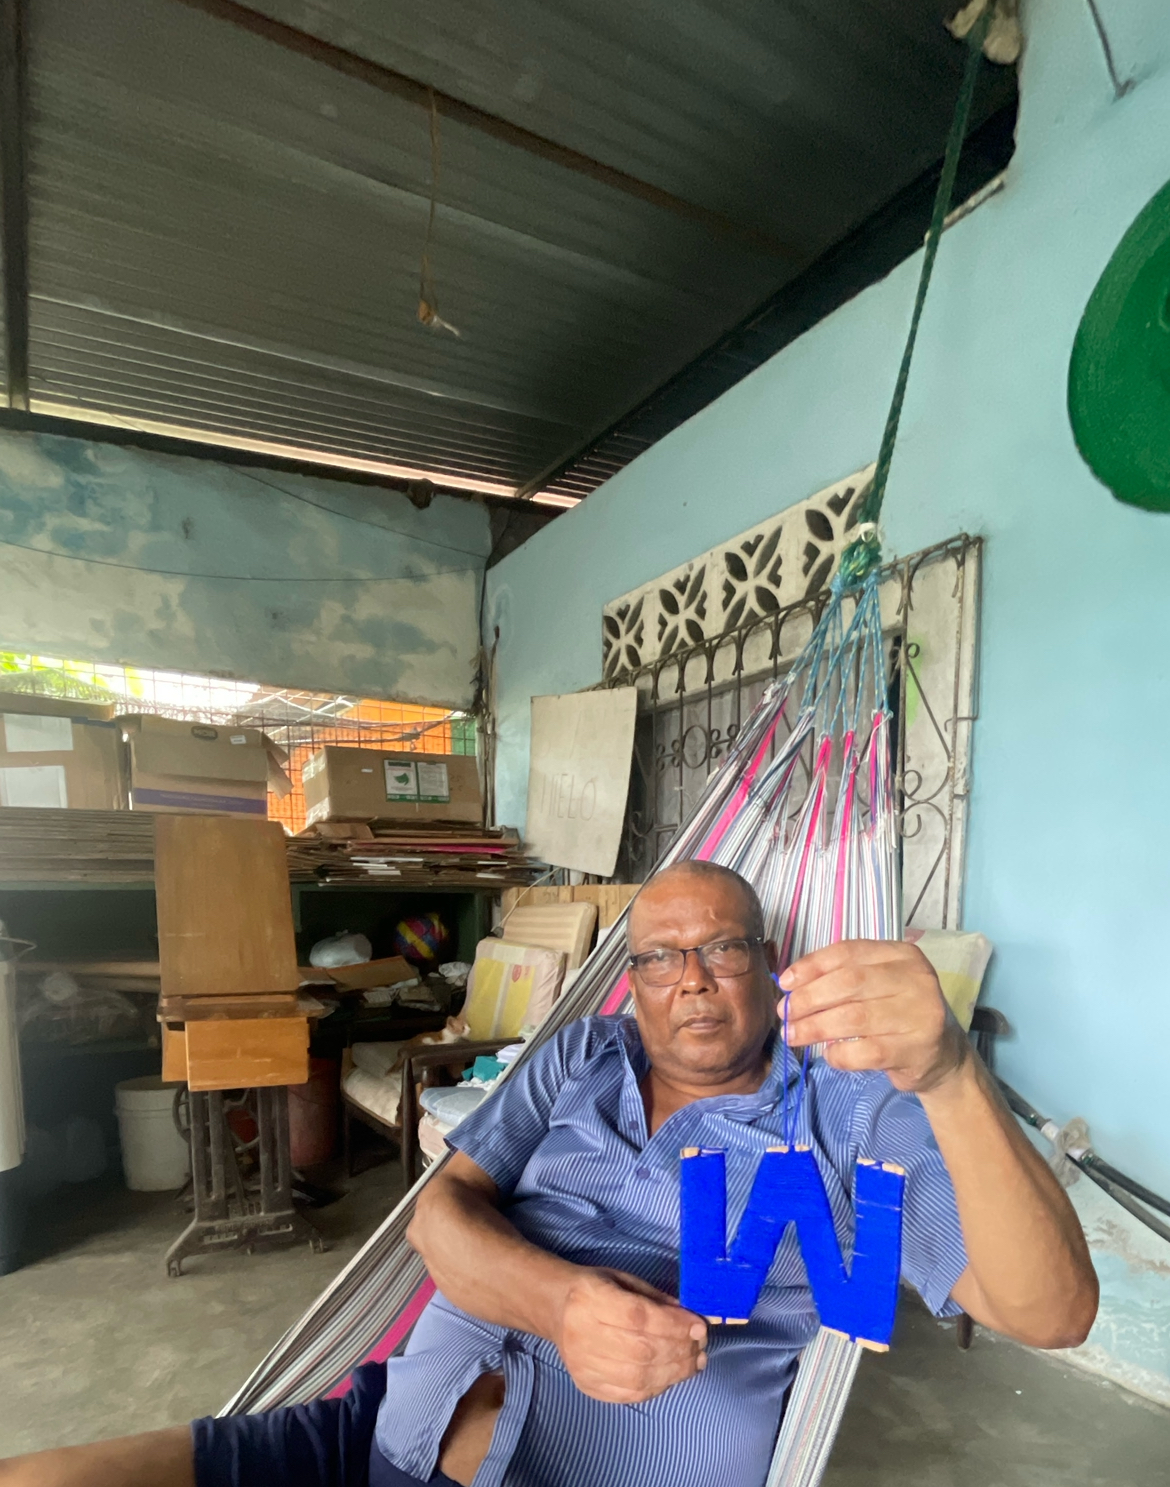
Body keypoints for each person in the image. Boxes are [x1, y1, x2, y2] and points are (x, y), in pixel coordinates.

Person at [1, 861, 1097, 1487]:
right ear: (633, 981)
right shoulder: (583, 1057)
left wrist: (951, 1072)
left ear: (771, 965)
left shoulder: (848, 1105)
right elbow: (438, 1213)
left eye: (723, 947)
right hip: (377, 1433)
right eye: (658, 957)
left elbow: (1048, 1311)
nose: (692, 979)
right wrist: (563, 1302)